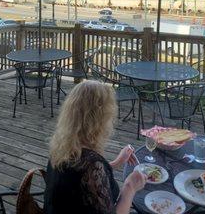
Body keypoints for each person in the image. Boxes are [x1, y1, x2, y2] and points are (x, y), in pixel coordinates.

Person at [44, 80, 147, 214]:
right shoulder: (92, 165)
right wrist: (130, 187)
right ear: (100, 119)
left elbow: (79, 177)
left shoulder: (62, 145)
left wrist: (117, 163)